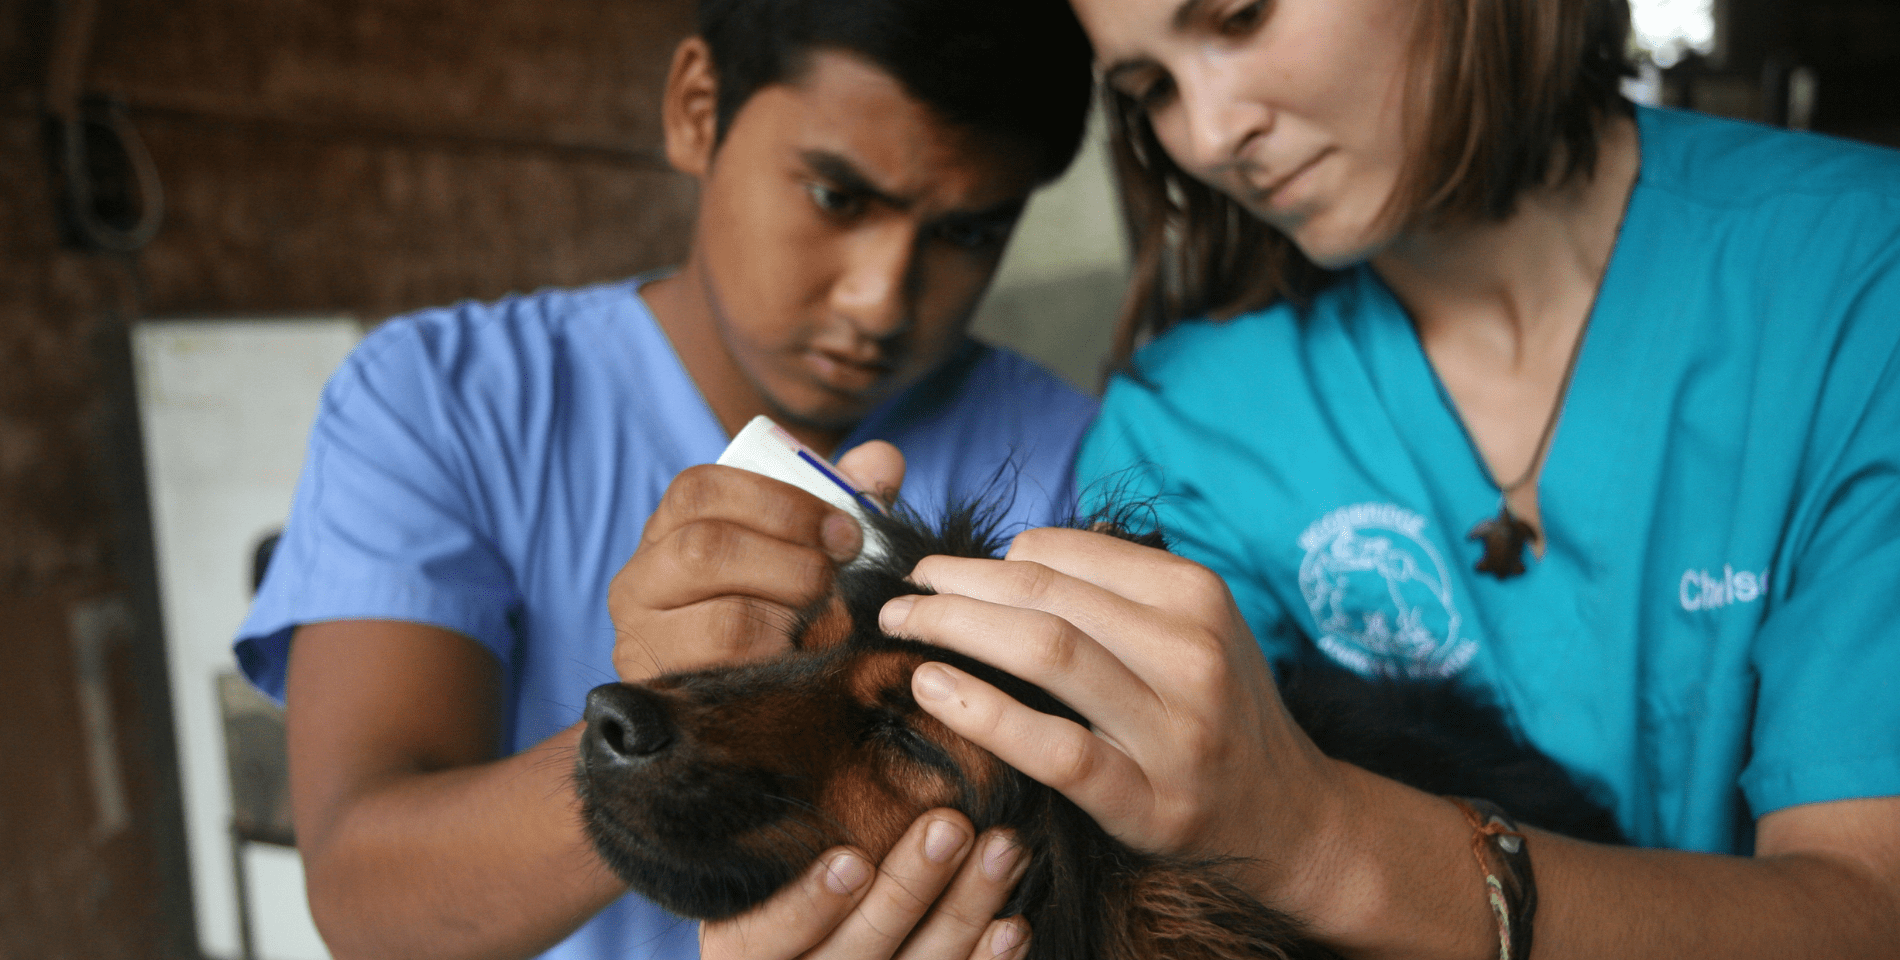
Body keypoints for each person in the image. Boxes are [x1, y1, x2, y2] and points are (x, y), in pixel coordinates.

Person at [683, 0, 1900, 957]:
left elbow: (1870, 914)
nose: (1209, 135)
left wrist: (1323, 839)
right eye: (1148, 88)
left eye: (1241, 14)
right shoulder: (1182, 426)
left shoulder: (1854, 281)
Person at [232, 1, 1098, 958]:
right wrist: (678, 715)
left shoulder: (1074, 459)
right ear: (696, 109)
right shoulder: (441, 401)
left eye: (968, 232)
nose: (879, 297)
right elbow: (367, 902)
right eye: (837, 198)